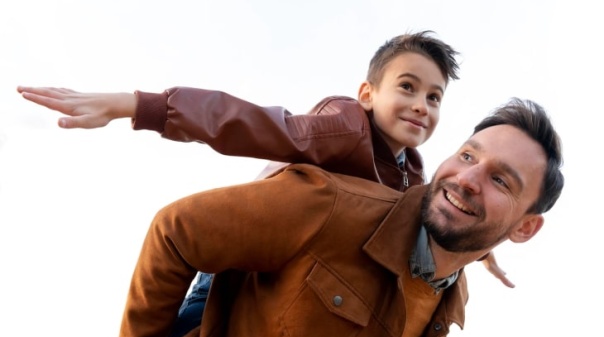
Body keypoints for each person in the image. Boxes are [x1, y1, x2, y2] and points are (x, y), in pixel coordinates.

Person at [18, 31, 512, 335]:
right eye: (407, 87)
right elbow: (252, 123)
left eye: (434, 96)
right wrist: (138, 105)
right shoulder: (344, 125)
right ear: (367, 93)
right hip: (240, 262)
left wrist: (481, 249)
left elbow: (431, 217)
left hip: (308, 279)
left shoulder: (415, 173)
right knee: (202, 324)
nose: (421, 105)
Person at [119, 98, 564, 337]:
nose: (467, 178)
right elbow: (175, 230)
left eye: (501, 181)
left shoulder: (450, 306)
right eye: (468, 155)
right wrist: (144, 106)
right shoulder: (331, 204)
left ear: (525, 227)